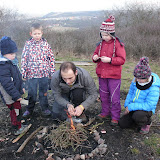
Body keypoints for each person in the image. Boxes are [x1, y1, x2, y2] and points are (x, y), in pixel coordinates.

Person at [92, 15, 126, 126]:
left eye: (106, 35)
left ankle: (115, 116)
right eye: (102, 35)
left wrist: (110, 60)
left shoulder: (118, 45)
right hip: (102, 75)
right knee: (103, 95)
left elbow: (122, 59)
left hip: (114, 76)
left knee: (114, 97)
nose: (104, 37)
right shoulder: (100, 44)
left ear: (112, 34)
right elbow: (95, 54)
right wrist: (95, 58)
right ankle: (105, 112)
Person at [21, 23, 55, 118]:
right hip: (31, 74)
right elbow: (24, 58)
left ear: (42, 33)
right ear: (31, 34)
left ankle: (45, 108)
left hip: (44, 74)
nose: (37, 35)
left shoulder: (46, 45)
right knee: (31, 93)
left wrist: (52, 71)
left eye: (39, 33)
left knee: (43, 92)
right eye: (35, 34)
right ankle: (29, 109)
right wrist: (24, 71)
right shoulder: (28, 45)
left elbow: (51, 58)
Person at [119, 57, 160, 134]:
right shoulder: (135, 81)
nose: (137, 80)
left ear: (147, 77)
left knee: (138, 116)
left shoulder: (154, 87)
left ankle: (147, 123)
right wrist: (127, 105)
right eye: (136, 78)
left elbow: (149, 105)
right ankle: (136, 122)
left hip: (145, 110)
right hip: (133, 107)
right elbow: (130, 93)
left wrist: (131, 107)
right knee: (122, 124)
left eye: (140, 79)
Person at [0, 36, 27, 135]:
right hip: (10, 96)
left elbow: (18, 77)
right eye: (11, 54)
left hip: (15, 93)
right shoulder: (3, 66)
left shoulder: (12, 62)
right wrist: (16, 96)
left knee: (17, 110)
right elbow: (7, 84)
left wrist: (22, 88)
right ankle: (18, 127)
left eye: (14, 53)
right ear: (3, 53)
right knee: (16, 111)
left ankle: (17, 123)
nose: (14, 55)